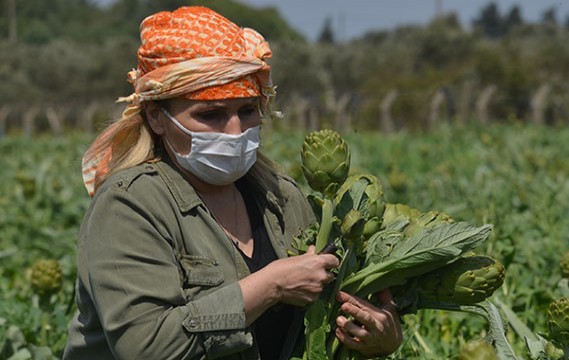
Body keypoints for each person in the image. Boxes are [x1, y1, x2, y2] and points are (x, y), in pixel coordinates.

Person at [63, 6, 402, 360]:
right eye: (211, 115)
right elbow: (145, 347)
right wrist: (271, 286)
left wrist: (378, 335)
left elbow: (320, 324)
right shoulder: (130, 205)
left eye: (247, 110)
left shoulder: (281, 197)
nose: (235, 130)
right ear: (156, 117)